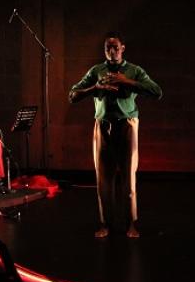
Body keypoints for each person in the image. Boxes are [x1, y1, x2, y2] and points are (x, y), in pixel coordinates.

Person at [69, 31, 162, 238]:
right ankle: (105, 224)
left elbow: (156, 91)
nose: (111, 51)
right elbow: (72, 95)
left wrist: (127, 81)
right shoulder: (97, 70)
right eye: (107, 48)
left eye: (115, 47)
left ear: (122, 48)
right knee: (103, 179)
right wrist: (95, 87)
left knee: (128, 177)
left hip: (127, 125)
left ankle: (131, 223)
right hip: (102, 126)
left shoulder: (134, 70)